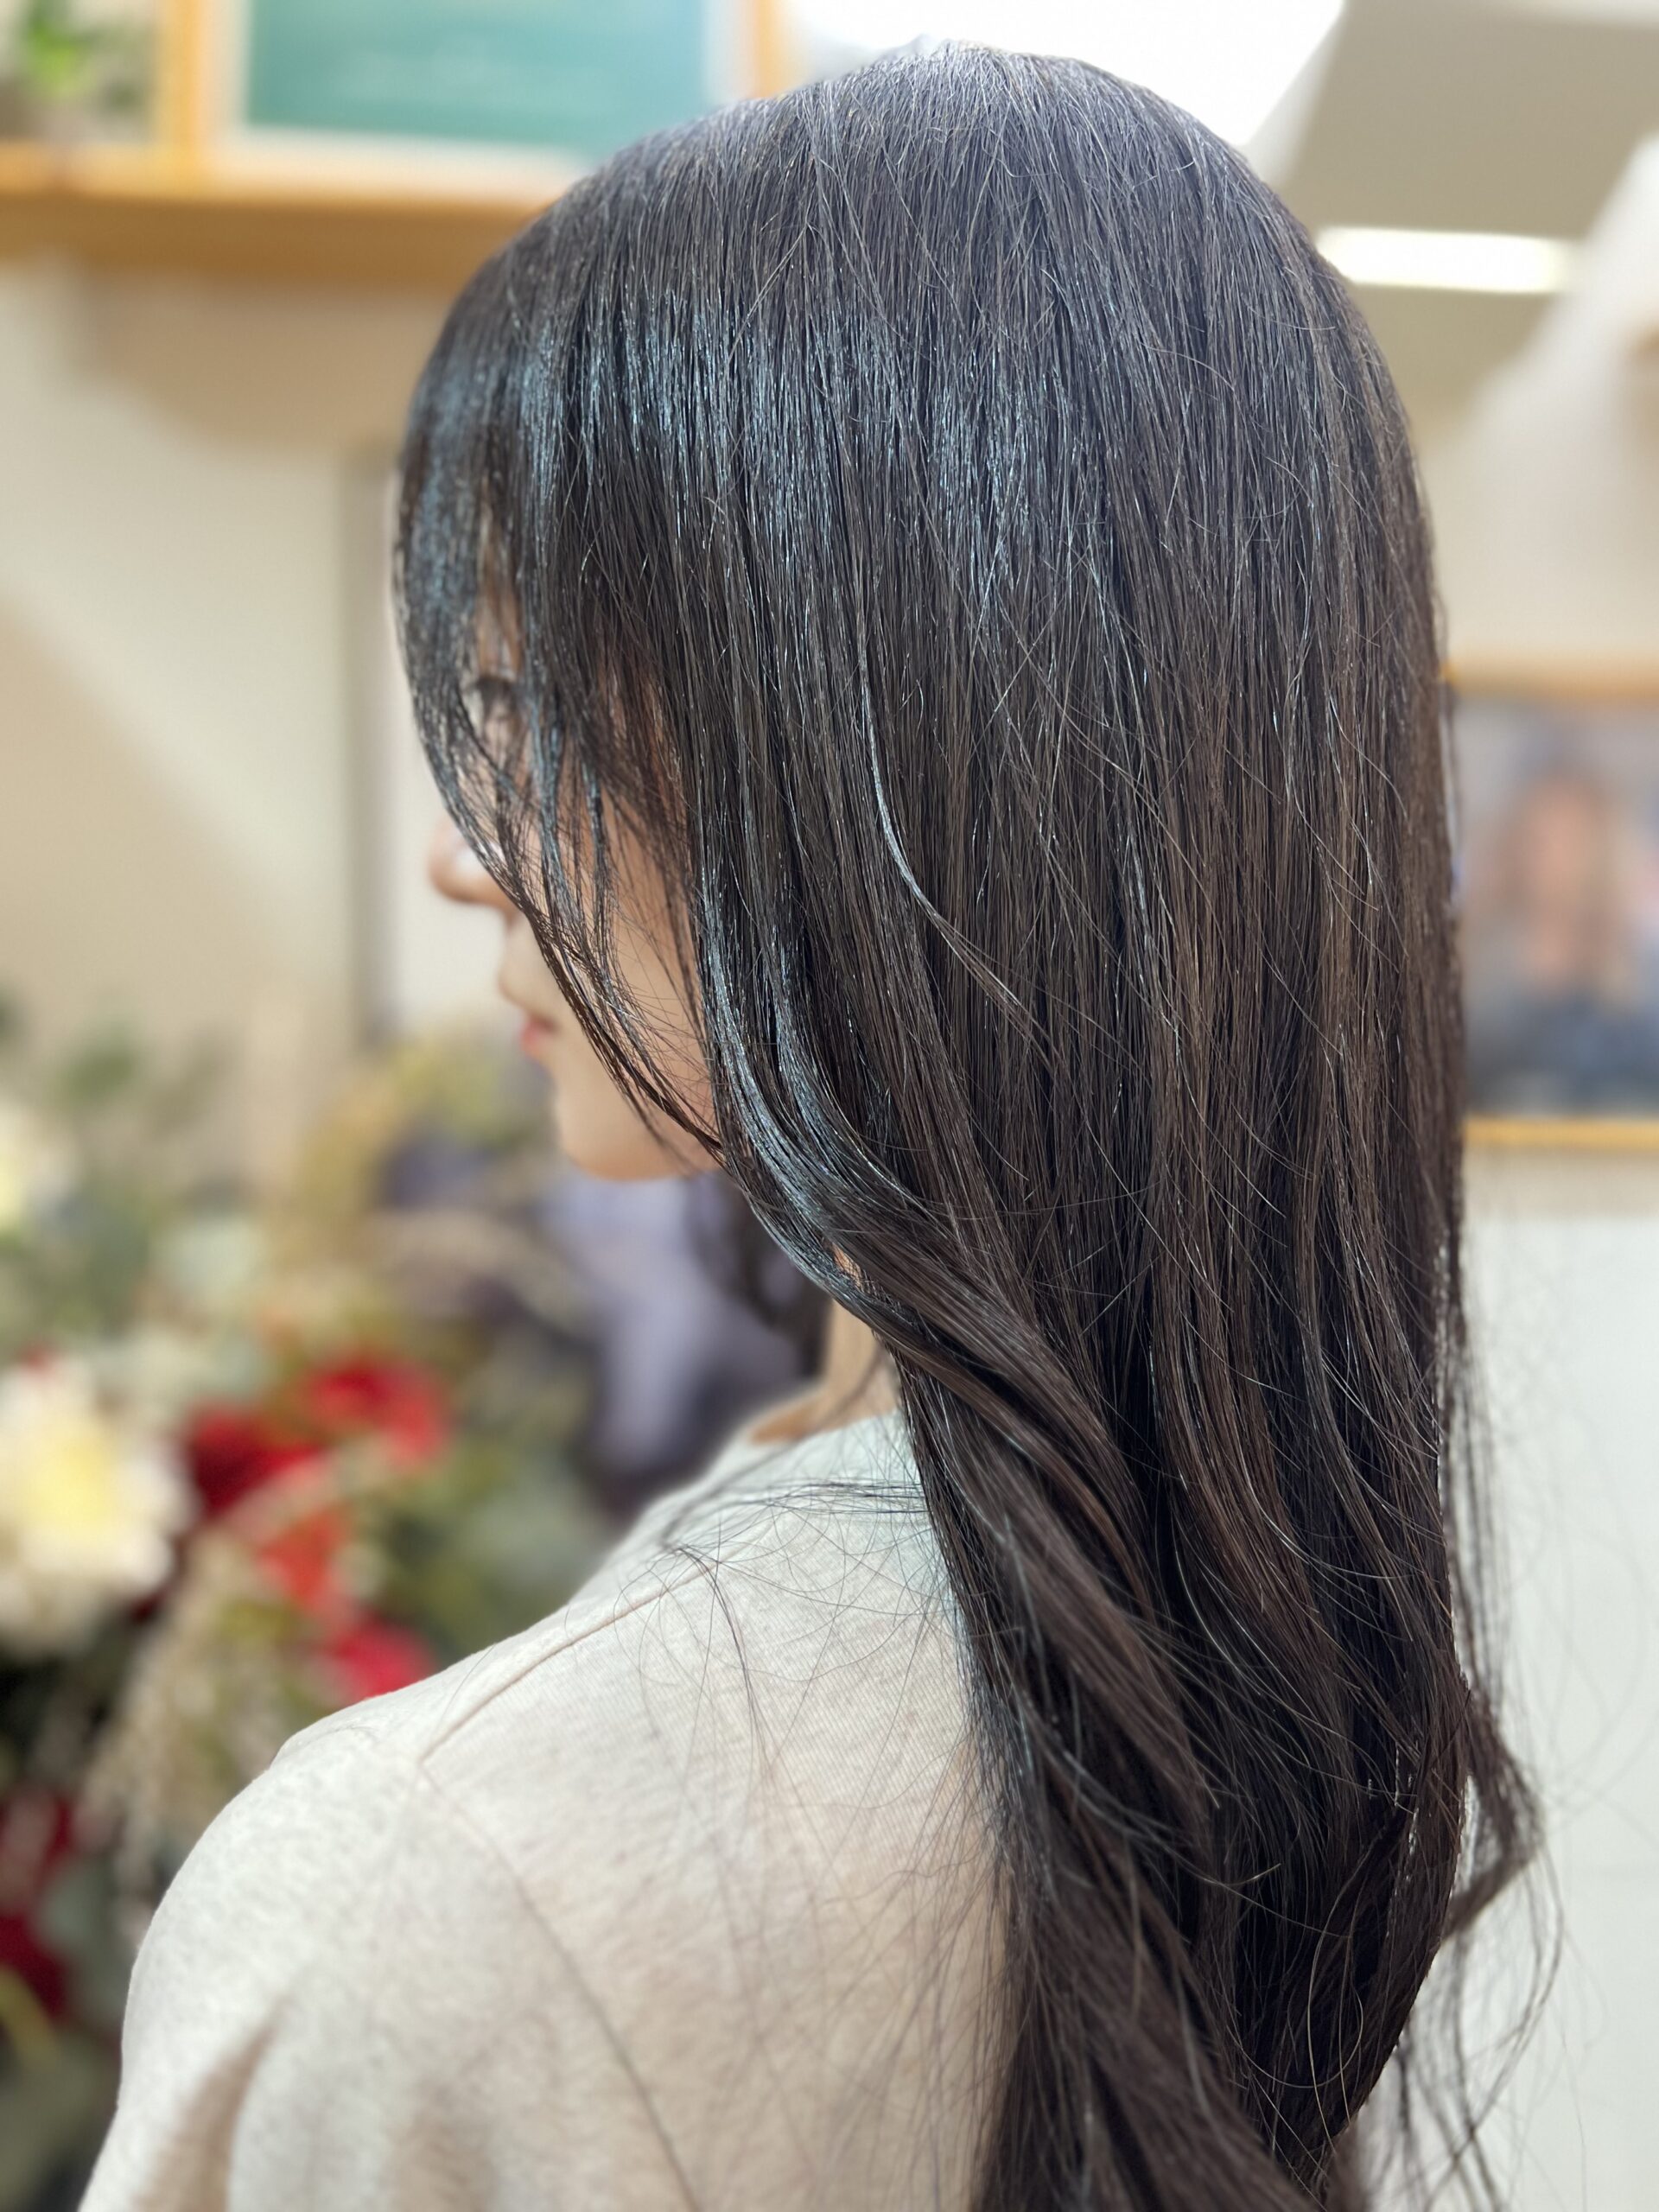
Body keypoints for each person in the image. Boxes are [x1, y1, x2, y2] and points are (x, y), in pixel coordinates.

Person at [81, 45, 1537, 2212]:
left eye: (524, 713)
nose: (468, 857)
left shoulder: (429, 1891)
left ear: (870, 767)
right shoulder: (1258, 1636)